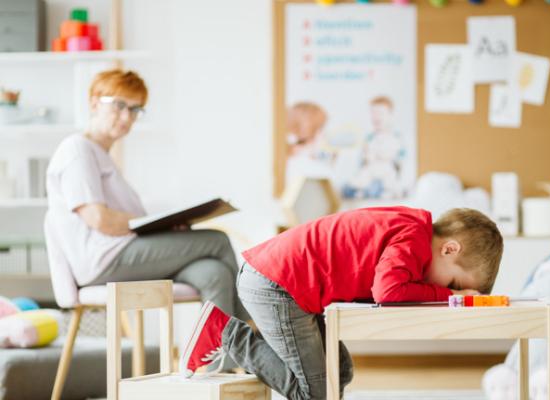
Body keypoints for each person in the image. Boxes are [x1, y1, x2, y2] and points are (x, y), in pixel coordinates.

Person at [180, 206, 504, 399]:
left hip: (289, 286)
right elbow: (388, 292)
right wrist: (449, 297)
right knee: (315, 393)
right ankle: (226, 332)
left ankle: (250, 338)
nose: (447, 291)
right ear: (449, 249)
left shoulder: (413, 231)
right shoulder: (414, 239)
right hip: (277, 284)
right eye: (453, 283)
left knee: (341, 370)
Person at [45, 69, 250, 323]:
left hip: (119, 254)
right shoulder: (77, 150)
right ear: (94, 102)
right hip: (104, 259)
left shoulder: (101, 155)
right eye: (119, 105)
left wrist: (163, 227)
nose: (126, 117)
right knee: (217, 240)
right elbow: (100, 220)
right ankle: (253, 335)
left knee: (215, 273)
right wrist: (152, 227)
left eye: (135, 109)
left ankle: (222, 362)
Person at [343, 96, 406, 199]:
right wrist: (367, 156)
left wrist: (383, 155)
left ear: (390, 115)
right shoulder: (369, 138)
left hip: (386, 169)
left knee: (391, 180)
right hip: (371, 169)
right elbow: (364, 157)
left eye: (380, 113)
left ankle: (389, 191)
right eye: (373, 113)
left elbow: (398, 156)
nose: (376, 117)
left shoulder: (395, 137)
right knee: (362, 177)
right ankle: (361, 190)